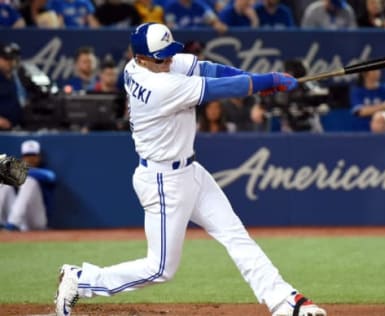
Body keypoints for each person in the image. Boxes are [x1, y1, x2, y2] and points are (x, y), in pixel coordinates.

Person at [54, 22, 327, 316]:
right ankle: (81, 280)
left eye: (170, 53)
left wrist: (255, 81)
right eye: (162, 57)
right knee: (160, 269)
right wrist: (265, 80)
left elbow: (210, 70)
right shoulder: (157, 86)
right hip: (163, 180)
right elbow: (217, 88)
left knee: (235, 234)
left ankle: (283, 301)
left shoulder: (147, 64)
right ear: (142, 58)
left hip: (189, 172)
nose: (170, 59)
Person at [0, 140, 56, 231]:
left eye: (33, 155)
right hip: (15, 217)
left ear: (39, 157)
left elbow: (51, 177)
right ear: (22, 157)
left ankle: (13, 224)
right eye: (27, 155)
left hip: (36, 220)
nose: (30, 158)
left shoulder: (45, 171)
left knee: (29, 181)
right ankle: (5, 223)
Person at [0, 43, 23, 131]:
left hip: (13, 129)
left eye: (11, 59)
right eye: (5, 59)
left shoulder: (15, 77)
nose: (9, 62)